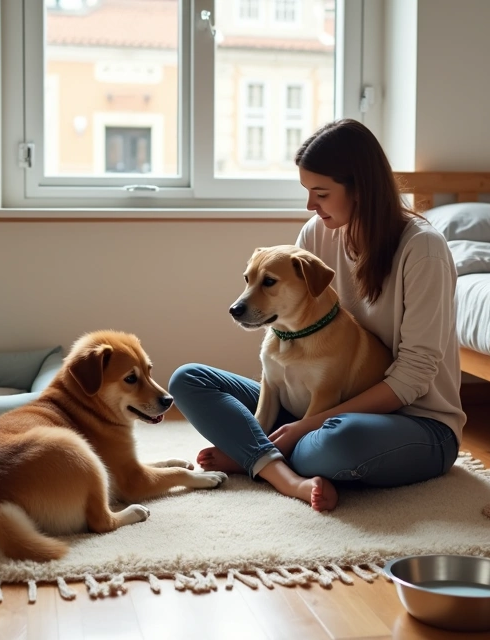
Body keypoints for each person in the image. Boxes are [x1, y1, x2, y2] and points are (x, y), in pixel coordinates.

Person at [169, 119, 465, 512]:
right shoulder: (316, 233)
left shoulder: (423, 250)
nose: (311, 205)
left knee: (339, 441)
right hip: (313, 406)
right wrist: (300, 424)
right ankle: (276, 461)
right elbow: (289, 325)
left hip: (413, 422)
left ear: (360, 189)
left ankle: (253, 453)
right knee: (188, 379)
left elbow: (413, 376)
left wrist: (305, 427)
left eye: (321, 193)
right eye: (308, 192)